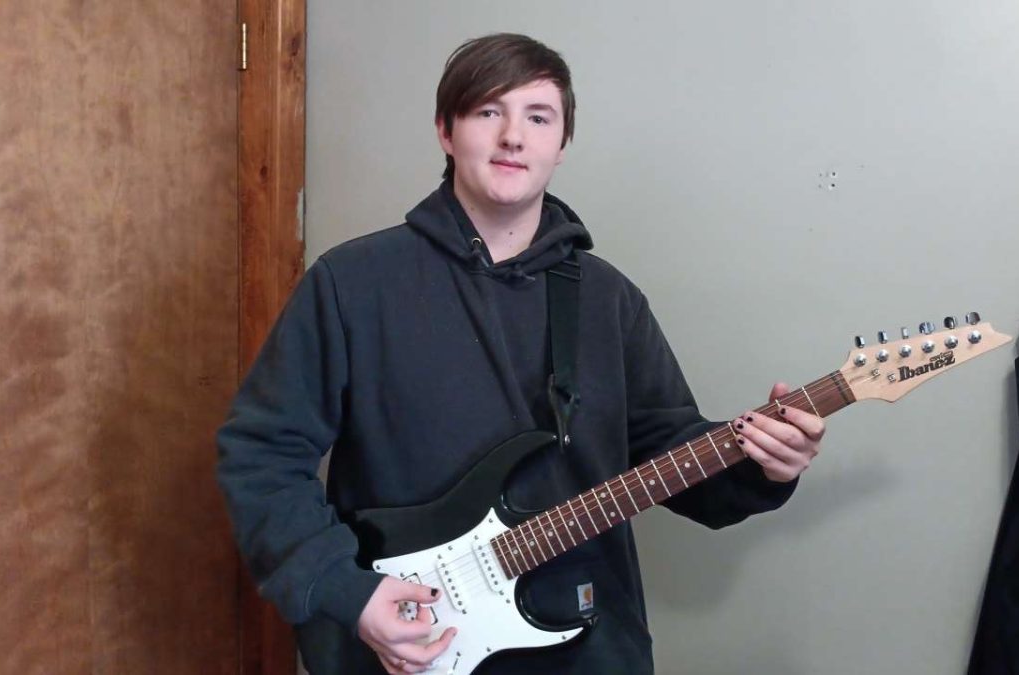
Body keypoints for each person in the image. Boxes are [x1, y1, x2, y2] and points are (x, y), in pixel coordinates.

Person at [216, 32, 824, 675]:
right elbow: (261, 454)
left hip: (590, 647)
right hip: (411, 646)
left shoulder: (607, 298)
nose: (514, 136)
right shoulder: (352, 282)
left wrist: (763, 465)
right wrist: (349, 592)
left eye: (539, 117)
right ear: (446, 132)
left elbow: (668, 450)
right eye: (488, 112)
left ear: (560, 146)